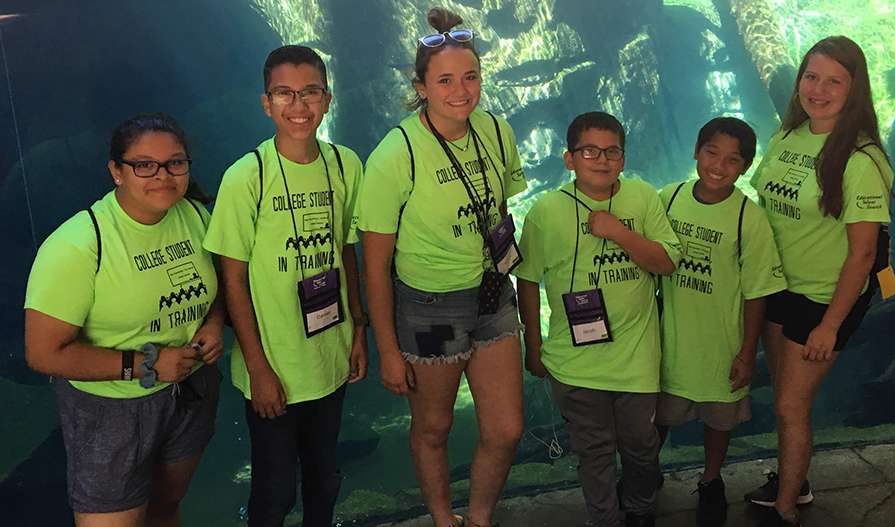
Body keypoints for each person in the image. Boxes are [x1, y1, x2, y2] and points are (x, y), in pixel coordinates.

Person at [358, 8, 527, 527]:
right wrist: (388, 350)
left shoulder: (496, 131)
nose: (462, 90)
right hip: (431, 311)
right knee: (433, 428)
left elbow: (499, 211)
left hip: (493, 297)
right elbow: (375, 266)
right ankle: (441, 519)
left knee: (506, 430)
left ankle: (477, 519)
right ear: (421, 86)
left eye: (470, 76)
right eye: (446, 80)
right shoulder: (397, 152)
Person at [24, 113, 225, 527]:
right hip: (110, 412)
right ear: (116, 170)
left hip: (189, 391)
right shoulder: (77, 245)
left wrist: (213, 323)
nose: (163, 176)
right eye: (144, 164)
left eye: (175, 163)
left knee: (166, 507)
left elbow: (215, 286)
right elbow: (42, 354)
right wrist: (148, 364)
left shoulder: (193, 215)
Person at [203, 45, 368, 527]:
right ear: (266, 102)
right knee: (274, 492)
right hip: (273, 363)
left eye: (310, 92)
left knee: (325, 477)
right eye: (285, 94)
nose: (299, 106)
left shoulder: (345, 165)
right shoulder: (245, 176)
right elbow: (231, 278)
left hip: (330, 354)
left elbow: (346, 250)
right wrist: (257, 368)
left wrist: (359, 329)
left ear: (327, 98)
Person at [742, 36, 894, 527]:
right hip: (779, 287)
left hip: (825, 298)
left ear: (855, 89)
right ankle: (794, 483)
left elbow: (864, 253)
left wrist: (831, 325)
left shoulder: (861, 160)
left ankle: (784, 510)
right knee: (787, 399)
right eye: (811, 76)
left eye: (834, 81)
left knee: (789, 407)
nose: (818, 89)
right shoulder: (790, 134)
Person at [515, 111, 682, 527]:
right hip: (574, 363)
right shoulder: (545, 211)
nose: (601, 160)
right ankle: (604, 519)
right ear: (570, 159)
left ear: (623, 160)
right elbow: (528, 280)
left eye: (612, 152)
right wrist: (533, 348)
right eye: (589, 151)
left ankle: (642, 509)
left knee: (641, 445)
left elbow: (665, 264)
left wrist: (618, 232)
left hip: (636, 357)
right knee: (593, 450)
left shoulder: (642, 197)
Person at [655, 117, 787, 526]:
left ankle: (711, 481)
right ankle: (645, 476)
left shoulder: (749, 218)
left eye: (733, 160)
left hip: (721, 343)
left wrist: (748, 353)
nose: (718, 165)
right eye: (712, 152)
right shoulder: (669, 199)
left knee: (719, 420)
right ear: (696, 152)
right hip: (669, 341)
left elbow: (757, 291)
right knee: (656, 417)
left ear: (745, 167)